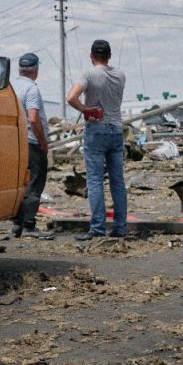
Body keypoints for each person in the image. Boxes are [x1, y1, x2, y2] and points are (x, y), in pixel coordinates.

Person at [66, 39, 127, 240]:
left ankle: (98, 228)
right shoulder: (120, 75)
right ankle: (120, 226)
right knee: (118, 181)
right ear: (109, 56)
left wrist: (85, 109)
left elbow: (71, 97)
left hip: (96, 129)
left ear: (92, 56)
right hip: (116, 129)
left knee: (95, 181)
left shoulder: (89, 74)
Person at [10, 52, 55, 240]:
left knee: (20, 182)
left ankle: (16, 225)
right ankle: (29, 224)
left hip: (14, 142)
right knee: (35, 182)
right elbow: (34, 119)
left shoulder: (10, 87)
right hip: (31, 142)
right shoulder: (31, 89)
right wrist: (43, 142)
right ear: (35, 70)